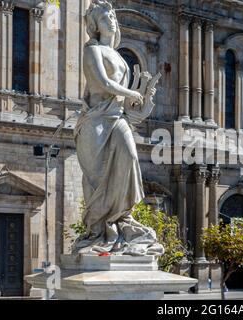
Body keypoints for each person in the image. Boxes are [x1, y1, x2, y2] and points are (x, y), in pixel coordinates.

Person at [73, 0, 163, 256]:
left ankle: (120, 220)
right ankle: (97, 230)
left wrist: (143, 104)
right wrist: (132, 92)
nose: (110, 20)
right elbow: (101, 84)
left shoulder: (119, 56)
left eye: (112, 16)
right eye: (104, 18)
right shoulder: (92, 50)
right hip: (96, 121)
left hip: (117, 118)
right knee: (97, 179)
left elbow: (124, 103)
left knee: (131, 158)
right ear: (95, 26)